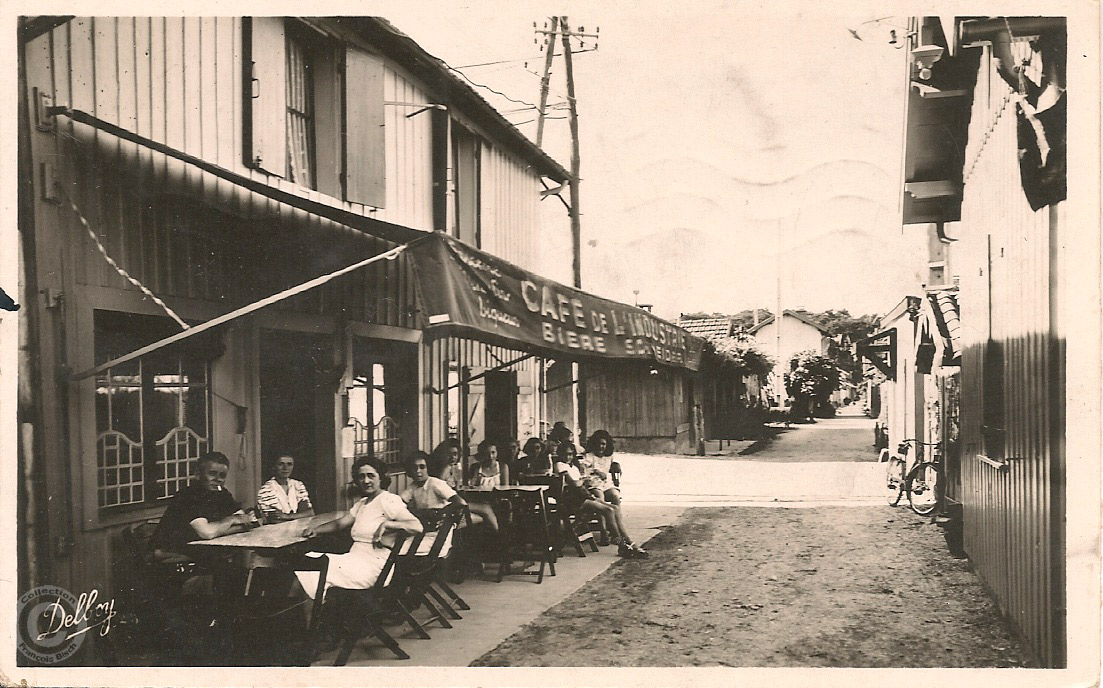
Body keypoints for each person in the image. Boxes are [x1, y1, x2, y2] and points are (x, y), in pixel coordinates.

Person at [296, 457, 423, 600]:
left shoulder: (388, 500)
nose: (366, 481)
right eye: (361, 476)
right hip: (354, 560)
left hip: (372, 567)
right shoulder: (363, 503)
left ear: (381, 477)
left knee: (314, 569)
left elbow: (417, 526)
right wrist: (316, 530)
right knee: (308, 564)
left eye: (371, 475)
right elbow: (340, 524)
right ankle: (314, 616)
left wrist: (387, 524)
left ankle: (313, 618)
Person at [151, 451, 255, 560]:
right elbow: (208, 533)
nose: (218, 479)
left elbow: (246, 523)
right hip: (170, 554)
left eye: (222, 475)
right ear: (198, 474)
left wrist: (219, 529)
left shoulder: (222, 494)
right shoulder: (187, 496)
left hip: (199, 549)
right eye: (212, 473)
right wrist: (231, 520)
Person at [553, 442, 648, 559]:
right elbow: (573, 484)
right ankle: (621, 544)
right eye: (565, 454)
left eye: (570, 454)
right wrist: (583, 481)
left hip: (581, 496)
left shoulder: (574, 467)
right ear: (559, 454)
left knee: (615, 508)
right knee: (608, 510)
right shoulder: (560, 465)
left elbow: (580, 486)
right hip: (571, 500)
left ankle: (628, 541)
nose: (568, 457)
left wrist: (587, 490)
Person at [256, 454, 315, 522]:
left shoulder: (298, 485)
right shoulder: (266, 489)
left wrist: (286, 516)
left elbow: (310, 513)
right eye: (281, 464)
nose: (285, 468)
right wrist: (298, 515)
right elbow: (275, 519)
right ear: (274, 467)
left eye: (289, 464)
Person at [580, 430, 623, 506]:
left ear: (607, 445)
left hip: (605, 483)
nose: (600, 446)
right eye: (598, 443)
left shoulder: (608, 457)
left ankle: (616, 516)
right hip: (593, 483)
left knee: (615, 496)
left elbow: (611, 466)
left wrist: (616, 466)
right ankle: (604, 515)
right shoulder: (589, 456)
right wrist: (596, 472)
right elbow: (583, 467)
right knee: (600, 496)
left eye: (603, 444)